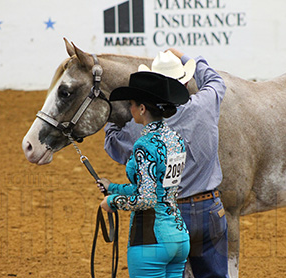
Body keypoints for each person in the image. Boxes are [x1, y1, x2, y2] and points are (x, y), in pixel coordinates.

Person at [103, 49, 229, 278]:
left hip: (165, 219)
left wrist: (114, 119)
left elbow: (114, 146)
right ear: (186, 80)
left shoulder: (138, 129)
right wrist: (186, 58)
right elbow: (215, 79)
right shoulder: (206, 103)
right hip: (208, 208)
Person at [98, 71, 191, 278]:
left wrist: (112, 201)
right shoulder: (175, 138)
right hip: (178, 237)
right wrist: (112, 187)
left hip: (150, 241)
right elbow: (158, 187)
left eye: (132, 104)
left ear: (142, 108)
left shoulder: (144, 145)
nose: (130, 109)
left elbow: (146, 199)